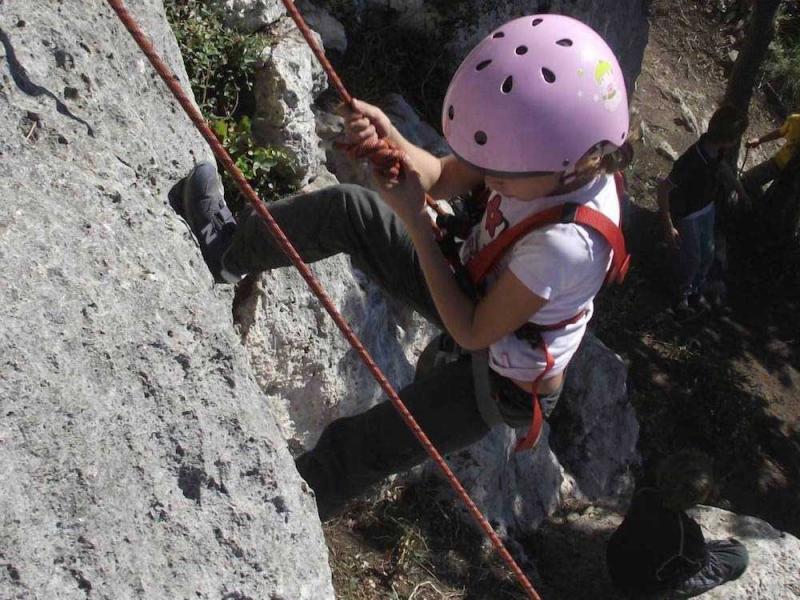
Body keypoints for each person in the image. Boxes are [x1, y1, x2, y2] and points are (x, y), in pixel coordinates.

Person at [173, 14, 630, 519]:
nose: (492, 181)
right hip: (474, 288)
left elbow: (473, 330)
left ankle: (270, 521)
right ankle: (228, 252)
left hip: (498, 379)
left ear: (566, 164)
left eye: (503, 174)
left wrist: (415, 219)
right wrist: (392, 138)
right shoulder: (537, 154)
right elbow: (441, 177)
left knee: (364, 447)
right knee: (347, 209)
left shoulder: (567, 245)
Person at [606, 450, 749, 598]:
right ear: (697, 498)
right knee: (738, 555)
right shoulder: (686, 533)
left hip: (617, 567)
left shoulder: (644, 493)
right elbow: (699, 565)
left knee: (701, 549)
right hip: (643, 590)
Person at [656, 106, 750, 313]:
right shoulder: (692, 159)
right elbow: (663, 189)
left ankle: (696, 289)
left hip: (706, 208)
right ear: (729, 138)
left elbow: (722, 168)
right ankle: (681, 296)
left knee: (708, 253)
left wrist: (739, 189)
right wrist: (668, 225)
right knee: (692, 257)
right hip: (688, 214)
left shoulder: (717, 150)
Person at [743, 112, 800, 197]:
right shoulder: (795, 120)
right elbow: (780, 132)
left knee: (771, 204)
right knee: (747, 180)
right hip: (778, 163)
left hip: (793, 180)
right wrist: (759, 140)